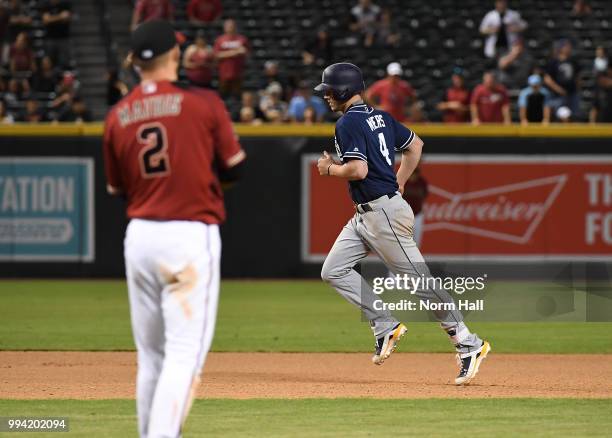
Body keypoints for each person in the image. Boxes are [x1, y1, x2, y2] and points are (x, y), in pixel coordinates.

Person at [103, 20, 246, 438]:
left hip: (140, 235)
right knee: (184, 357)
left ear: (134, 62)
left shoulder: (118, 115)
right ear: (175, 55)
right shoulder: (203, 104)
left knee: (151, 359)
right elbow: (236, 168)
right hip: (188, 234)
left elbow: (117, 188)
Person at [314, 62, 490, 386]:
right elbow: (416, 145)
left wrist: (330, 169)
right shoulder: (380, 116)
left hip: (382, 215)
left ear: (342, 90)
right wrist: (401, 181)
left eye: (328, 90)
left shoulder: (348, 123)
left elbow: (358, 171)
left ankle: (469, 344)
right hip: (366, 215)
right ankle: (384, 324)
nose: (325, 96)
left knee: (421, 283)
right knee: (333, 270)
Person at [544, 39, 581, 119]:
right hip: (557, 95)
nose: (569, 48)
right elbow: (547, 79)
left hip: (572, 93)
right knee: (559, 115)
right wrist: (558, 89)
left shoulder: (573, 61)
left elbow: (578, 77)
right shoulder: (554, 62)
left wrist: (577, 89)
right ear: (561, 48)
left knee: (574, 116)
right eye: (567, 46)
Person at [213, 18, 249, 98]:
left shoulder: (242, 39)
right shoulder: (220, 40)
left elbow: (246, 53)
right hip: (224, 74)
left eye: (232, 26)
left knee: (237, 96)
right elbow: (216, 55)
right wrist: (234, 52)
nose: (230, 28)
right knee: (223, 96)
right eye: (228, 26)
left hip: (238, 73)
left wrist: (243, 51)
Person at [41, 0, 72, 68]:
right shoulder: (46, 5)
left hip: (63, 38)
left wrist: (51, 18)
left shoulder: (65, 4)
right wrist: (60, 17)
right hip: (50, 38)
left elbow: (67, 18)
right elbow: (46, 20)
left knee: (64, 63)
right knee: (49, 62)